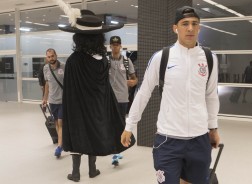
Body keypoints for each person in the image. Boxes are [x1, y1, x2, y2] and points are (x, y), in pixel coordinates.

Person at [121, 6, 220, 184]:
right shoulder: (162, 57)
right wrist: (130, 125)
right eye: (185, 24)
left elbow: (211, 96)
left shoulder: (209, 58)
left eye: (194, 24)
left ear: (199, 28)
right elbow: (143, 93)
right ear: (175, 28)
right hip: (168, 140)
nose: (190, 28)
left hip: (199, 138)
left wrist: (213, 128)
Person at [54, 1, 135, 181]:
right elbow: (104, 88)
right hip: (97, 108)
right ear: (99, 38)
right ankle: (92, 170)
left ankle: (75, 173)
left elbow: (69, 90)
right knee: (94, 135)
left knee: (78, 136)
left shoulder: (74, 61)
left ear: (78, 38)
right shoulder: (103, 61)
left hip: (77, 109)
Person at [108, 36, 138, 166]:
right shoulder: (105, 61)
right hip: (109, 99)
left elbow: (134, 78)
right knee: (109, 124)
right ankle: (111, 147)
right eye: (113, 45)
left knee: (120, 124)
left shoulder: (126, 61)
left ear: (120, 46)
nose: (115, 47)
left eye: (117, 45)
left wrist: (133, 82)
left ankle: (117, 150)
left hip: (122, 99)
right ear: (110, 46)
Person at [42, 48, 64, 158]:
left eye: (52, 56)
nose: (51, 58)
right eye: (49, 57)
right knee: (56, 123)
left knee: (60, 122)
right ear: (47, 58)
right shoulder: (46, 68)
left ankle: (60, 146)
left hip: (63, 101)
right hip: (53, 101)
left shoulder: (64, 67)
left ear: (56, 55)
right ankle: (61, 141)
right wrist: (45, 99)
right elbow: (47, 84)